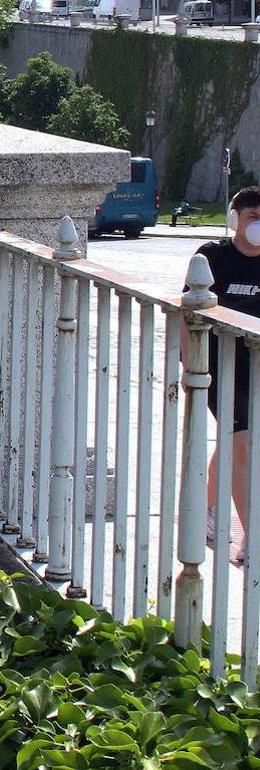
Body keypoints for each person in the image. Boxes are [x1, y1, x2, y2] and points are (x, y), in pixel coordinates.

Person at [198, 187, 260, 563]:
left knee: (234, 441)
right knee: (241, 442)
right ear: (236, 219)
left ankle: (206, 513)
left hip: (256, 363)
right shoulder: (212, 256)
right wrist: (192, 367)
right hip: (220, 363)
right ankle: (251, 538)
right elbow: (190, 310)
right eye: (254, 216)